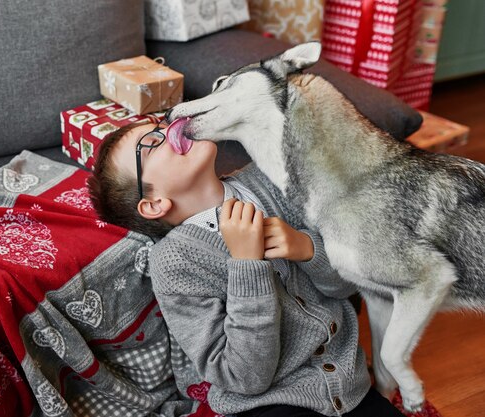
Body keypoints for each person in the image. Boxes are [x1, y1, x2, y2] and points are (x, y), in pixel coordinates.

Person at [87, 120, 404, 417]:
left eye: (162, 122)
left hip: (350, 384)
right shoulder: (174, 263)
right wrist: (247, 265)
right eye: (153, 141)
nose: (173, 129)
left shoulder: (269, 181)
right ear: (155, 203)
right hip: (268, 403)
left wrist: (307, 248)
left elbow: (348, 287)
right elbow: (244, 377)